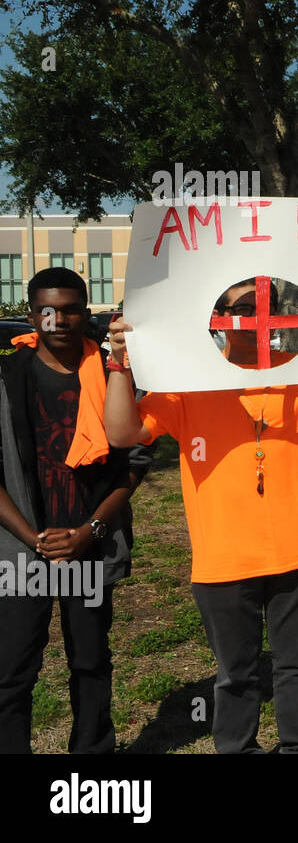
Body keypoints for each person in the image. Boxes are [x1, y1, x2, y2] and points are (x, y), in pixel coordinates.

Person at [104, 280, 298, 753]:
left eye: (267, 306)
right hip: (224, 557)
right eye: (243, 308)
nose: (258, 316)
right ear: (218, 317)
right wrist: (120, 361)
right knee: (235, 674)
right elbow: (122, 432)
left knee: (297, 667)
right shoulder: (189, 380)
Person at [0, 268, 145, 754]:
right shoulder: (6, 376)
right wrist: (33, 538)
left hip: (88, 546)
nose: (58, 319)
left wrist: (89, 530)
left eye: (70, 309)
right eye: (47, 309)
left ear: (88, 312)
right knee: (13, 670)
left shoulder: (114, 376)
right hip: (22, 553)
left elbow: (132, 466)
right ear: (31, 314)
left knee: (89, 662)